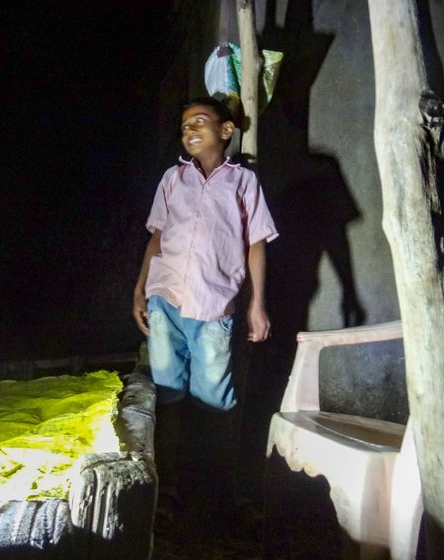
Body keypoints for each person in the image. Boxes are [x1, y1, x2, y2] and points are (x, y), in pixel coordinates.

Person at [132, 96, 278, 532]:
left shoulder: (242, 182)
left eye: (200, 121)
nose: (190, 130)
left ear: (226, 131)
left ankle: (220, 496)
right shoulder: (172, 179)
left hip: (215, 305)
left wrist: (257, 304)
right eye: (184, 125)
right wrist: (140, 289)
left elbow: (256, 242)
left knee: (215, 403)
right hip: (165, 302)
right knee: (168, 398)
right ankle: (167, 492)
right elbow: (156, 238)